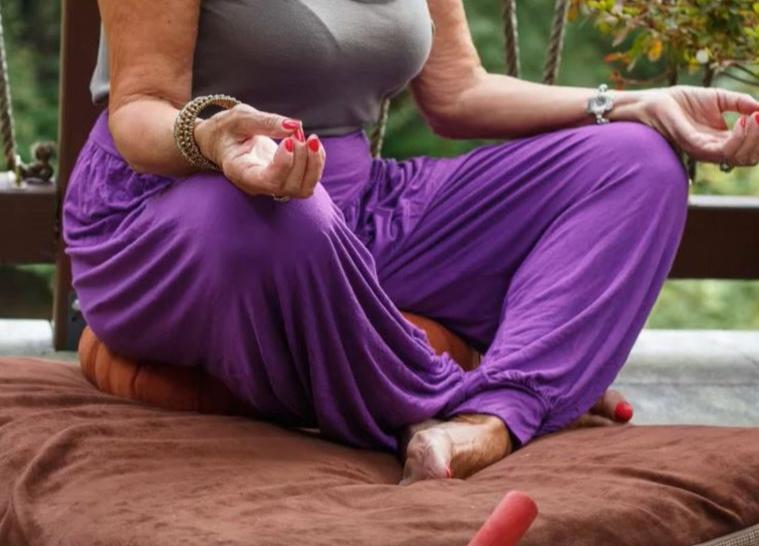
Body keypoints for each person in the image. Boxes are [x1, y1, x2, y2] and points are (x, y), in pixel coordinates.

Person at [63, 0, 759, 484]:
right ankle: (502, 398)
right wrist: (213, 138)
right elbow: (138, 109)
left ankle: (492, 416)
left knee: (636, 162)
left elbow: (457, 93)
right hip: (175, 208)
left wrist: (628, 103)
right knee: (284, 220)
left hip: (356, 206)